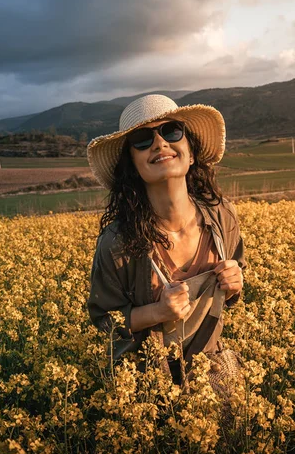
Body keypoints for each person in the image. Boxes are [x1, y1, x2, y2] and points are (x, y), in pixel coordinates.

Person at [87, 94, 246, 385]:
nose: (160, 143)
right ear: (132, 166)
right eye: (142, 140)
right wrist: (157, 311)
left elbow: (233, 295)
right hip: (145, 383)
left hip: (210, 373)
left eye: (171, 131)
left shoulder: (222, 217)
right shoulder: (116, 243)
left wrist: (235, 285)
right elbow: (105, 320)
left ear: (192, 151)